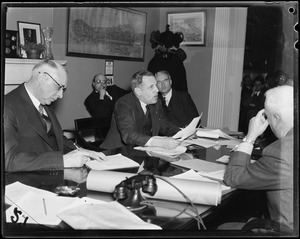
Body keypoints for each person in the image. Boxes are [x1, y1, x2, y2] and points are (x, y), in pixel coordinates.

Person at [4, 60, 106, 172]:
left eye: (63, 89)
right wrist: (63, 160)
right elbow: (9, 160)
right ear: (42, 78)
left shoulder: (44, 101)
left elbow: (56, 138)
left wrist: (80, 150)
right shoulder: (7, 106)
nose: (60, 95)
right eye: (59, 87)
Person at [222, 85, 294, 232]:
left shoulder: (280, 152)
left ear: (276, 118)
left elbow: (233, 177)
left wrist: (250, 137)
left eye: (267, 116)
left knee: (222, 227)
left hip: (287, 230)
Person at [100, 70, 181, 150]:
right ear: (138, 91)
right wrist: (156, 142)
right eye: (151, 87)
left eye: (156, 85)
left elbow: (164, 125)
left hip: (142, 151)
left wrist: (182, 133)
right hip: (116, 153)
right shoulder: (124, 103)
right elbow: (128, 135)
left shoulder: (156, 102)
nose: (157, 90)